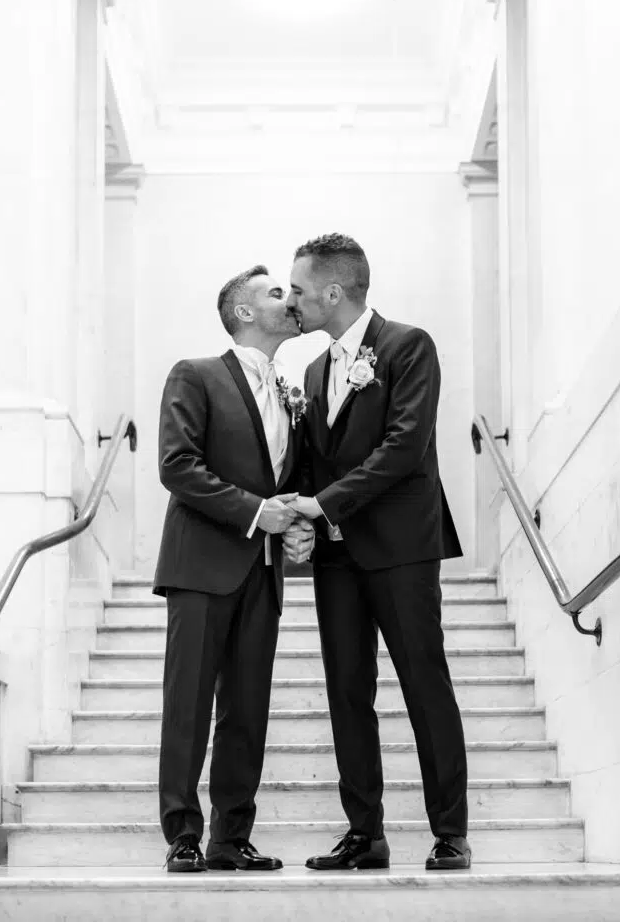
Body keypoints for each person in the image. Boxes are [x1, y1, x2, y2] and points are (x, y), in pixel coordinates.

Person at [284, 233, 471, 871]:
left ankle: (451, 832)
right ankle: (366, 834)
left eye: (302, 291)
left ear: (334, 292)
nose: (294, 303)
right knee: (347, 693)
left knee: (425, 685)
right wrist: (301, 515)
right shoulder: (312, 371)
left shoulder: (407, 346)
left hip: (400, 551)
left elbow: (404, 446)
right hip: (337, 559)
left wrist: (323, 503)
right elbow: (313, 459)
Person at [153, 264, 313, 873]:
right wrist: (255, 514)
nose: (289, 298)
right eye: (276, 292)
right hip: (201, 566)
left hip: (263, 572)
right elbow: (177, 464)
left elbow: (285, 482)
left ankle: (229, 838)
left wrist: (295, 523)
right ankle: (183, 835)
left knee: (247, 711)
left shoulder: (291, 391)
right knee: (188, 706)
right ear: (245, 313)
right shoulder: (194, 375)